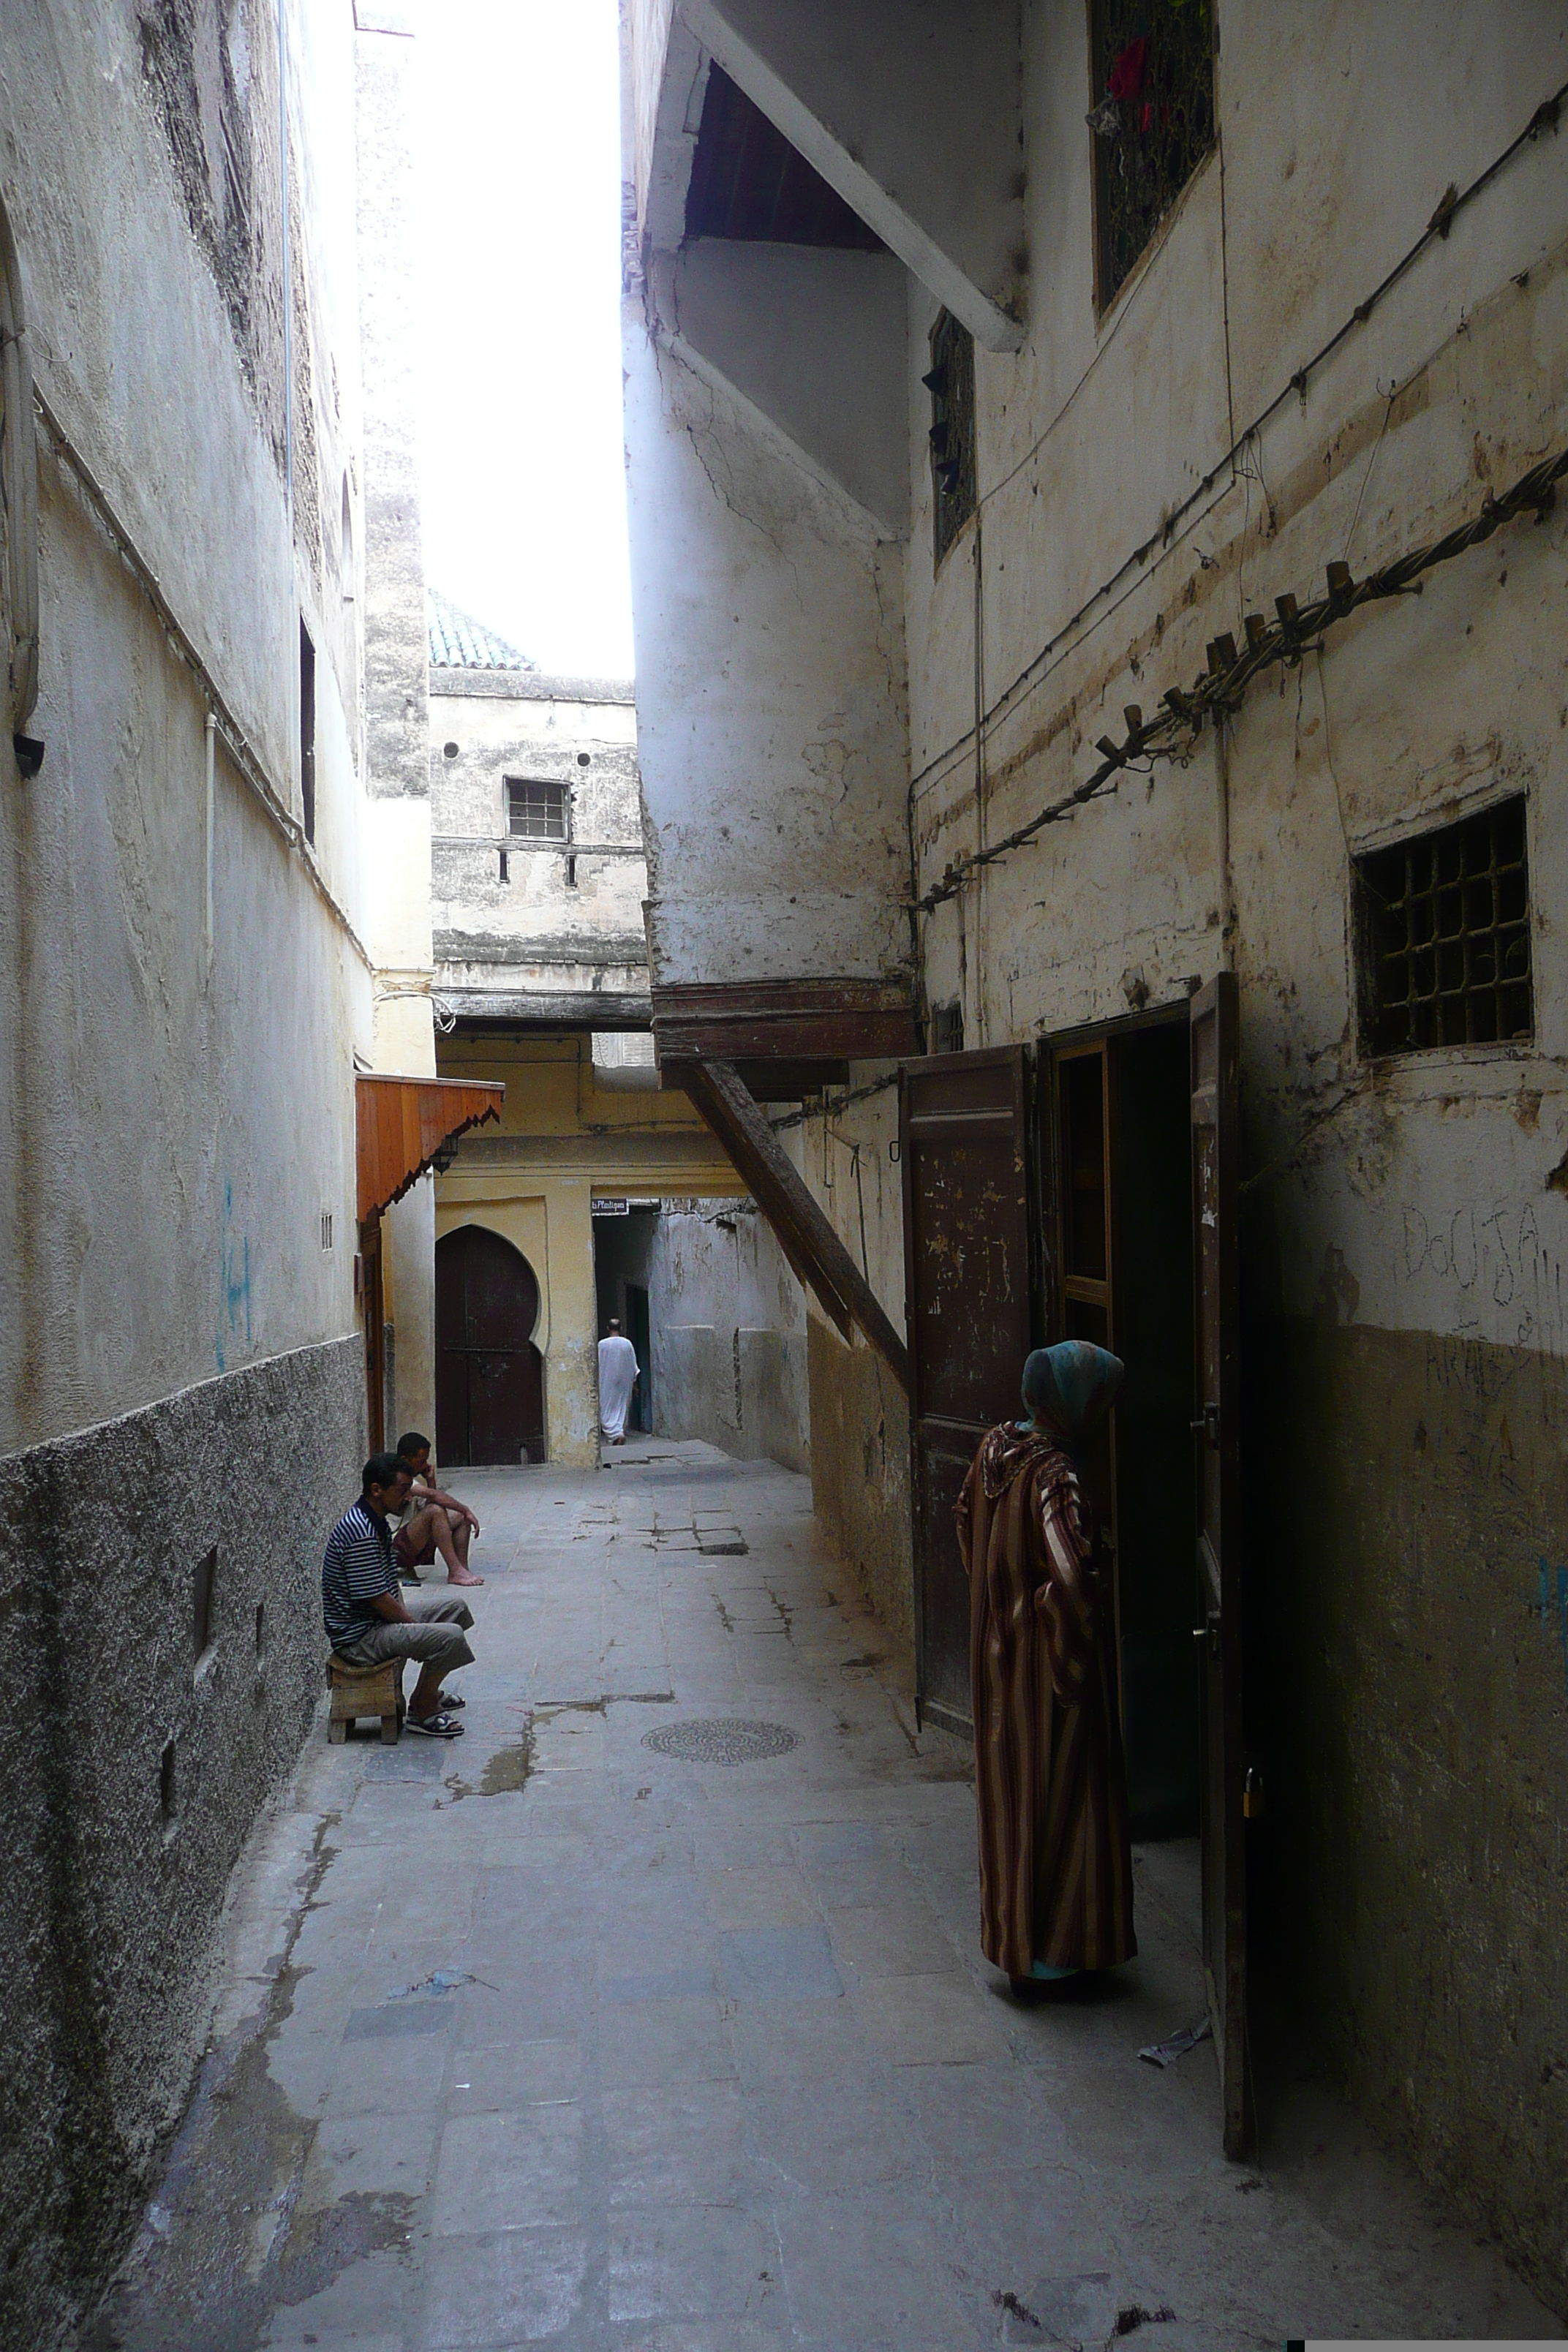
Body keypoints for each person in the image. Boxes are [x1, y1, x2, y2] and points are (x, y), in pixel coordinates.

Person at [954, 1341, 1136, 1995]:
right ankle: (1056, 1957)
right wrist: (1060, 1650)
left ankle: (1014, 1947)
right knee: (1062, 1801)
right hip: (1043, 1674)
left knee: (1009, 1802)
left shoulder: (995, 1446)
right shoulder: (1055, 1475)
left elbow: (965, 1521)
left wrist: (997, 1607)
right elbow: (1073, 1578)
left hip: (997, 1661)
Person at [323, 1453, 475, 1738]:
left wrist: (412, 1627)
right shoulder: (360, 1532)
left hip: (377, 1622)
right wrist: (412, 1627)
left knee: (457, 1610)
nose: (407, 1498)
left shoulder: (376, 1521)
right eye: (402, 1490)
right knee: (450, 1637)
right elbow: (378, 1599)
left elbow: (389, 1586)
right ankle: (422, 1708)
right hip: (360, 1639)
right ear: (377, 1490)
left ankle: (425, 1692)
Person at [391, 1431, 483, 1587]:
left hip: (411, 1540)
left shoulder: (413, 1480)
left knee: (459, 1516)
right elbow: (432, 1499)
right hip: (393, 1547)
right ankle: (455, 1571)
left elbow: (429, 1512)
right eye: (421, 1461)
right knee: (441, 1510)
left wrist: (431, 1481)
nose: (425, 1466)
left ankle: (462, 1568)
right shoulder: (397, 1477)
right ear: (405, 1460)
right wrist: (466, 1509)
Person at [598, 1316, 640, 1444]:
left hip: (606, 1383)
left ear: (608, 1329)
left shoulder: (602, 1345)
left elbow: (596, 1365)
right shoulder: (627, 1344)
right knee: (621, 1407)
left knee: (606, 1408)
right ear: (620, 1329)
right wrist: (635, 1385)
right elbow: (634, 1367)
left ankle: (615, 1434)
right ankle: (618, 1432)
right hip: (624, 1383)